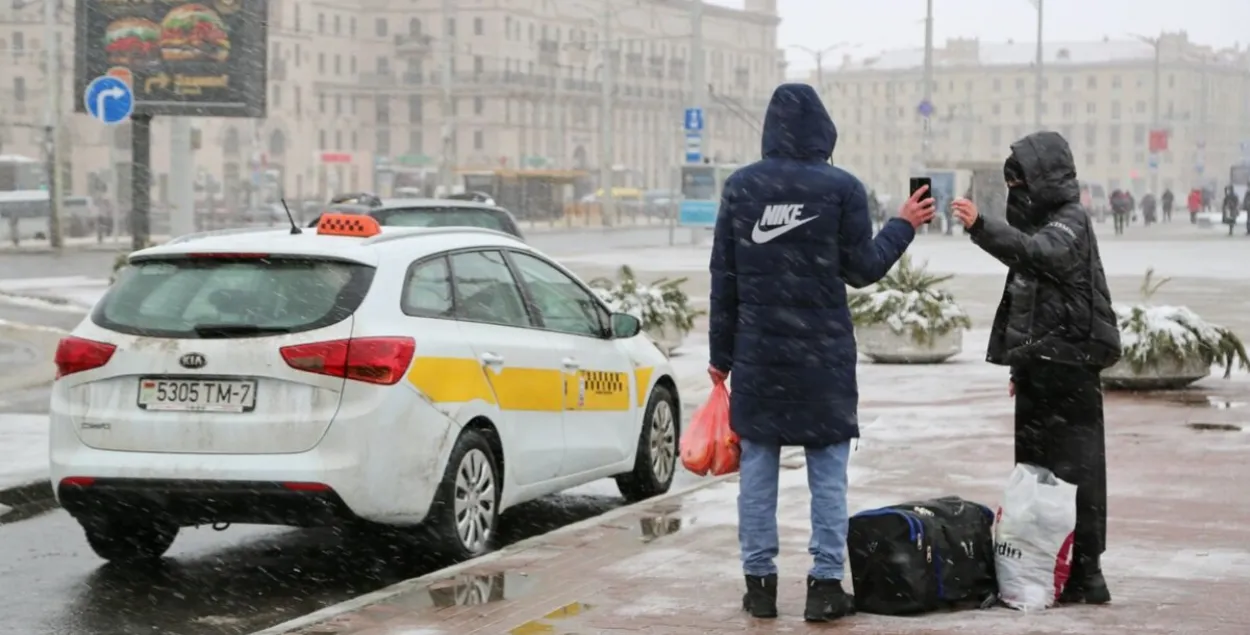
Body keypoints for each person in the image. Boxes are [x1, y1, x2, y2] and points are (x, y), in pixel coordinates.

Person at [708, 83, 935, 623]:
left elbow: (725, 279)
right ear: (823, 130)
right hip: (823, 361)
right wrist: (904, 224)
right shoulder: (841, 188)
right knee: (827, 479)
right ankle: (825, 586)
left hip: (760, 358)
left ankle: (760, 587)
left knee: (758, 477)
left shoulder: (741, 188)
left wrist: (721, 357)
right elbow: (863, 270)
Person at [950, 130, 1121, 606]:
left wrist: (982, 226)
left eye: (1022, 182)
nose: (1017, 192)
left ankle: (1087, 572)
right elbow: (1028, 304)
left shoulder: (1070, 221)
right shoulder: (1039, 227)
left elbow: (1046, 256)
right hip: (1040, 367)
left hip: (1071, 367)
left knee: (1076, 474)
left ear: (1045, 179)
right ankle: (1043, 567)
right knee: (1034, 473)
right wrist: (1018, 365)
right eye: (1012, 184)